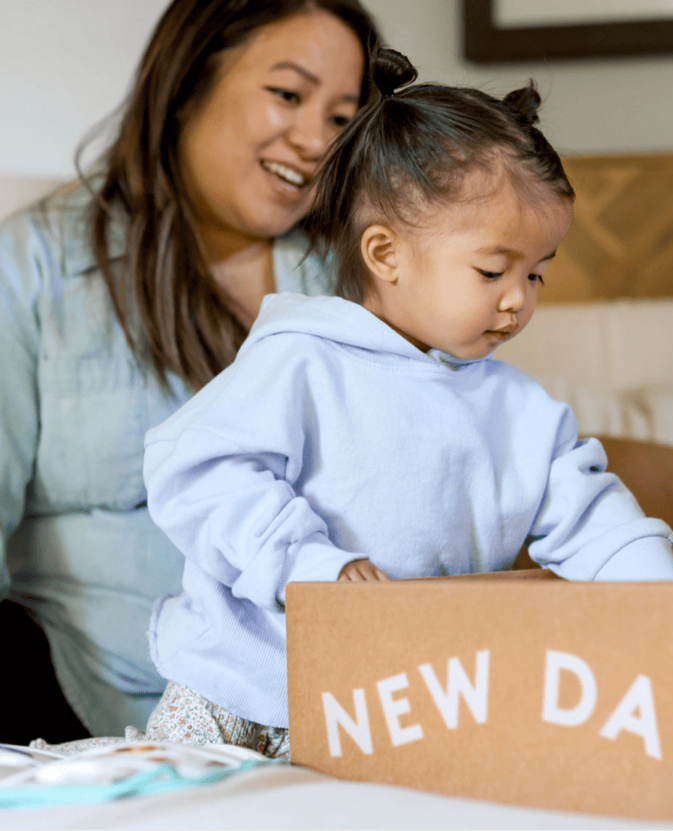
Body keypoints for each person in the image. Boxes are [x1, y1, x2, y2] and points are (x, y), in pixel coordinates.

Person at [139, 48, 673, 760]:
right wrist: (312, 564)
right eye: (494, 269)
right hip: (231, 688)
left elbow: (596, 522)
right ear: (385, 253)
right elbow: (196, 472)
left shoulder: (522, 414)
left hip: (387, 705)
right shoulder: (301, 360)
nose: (518, 298)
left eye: (538, 274)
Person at [0, 0, 381, 745]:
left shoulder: (354, 288)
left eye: (342, 118)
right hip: (72, 690)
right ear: (185, 88)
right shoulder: (34, 264)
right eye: (288, 94)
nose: (314, 140)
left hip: (296, 704)